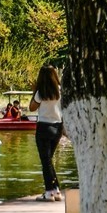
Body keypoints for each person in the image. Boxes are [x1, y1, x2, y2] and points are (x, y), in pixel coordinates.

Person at [29, 64, 64, 201]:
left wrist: (34, 92)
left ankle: (49, 191)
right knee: (48, 161)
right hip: (58, 127)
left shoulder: (40, 92)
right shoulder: (60, 90)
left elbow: (32, 108)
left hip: (44, 127)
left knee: (46, 161)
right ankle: (55, 190)